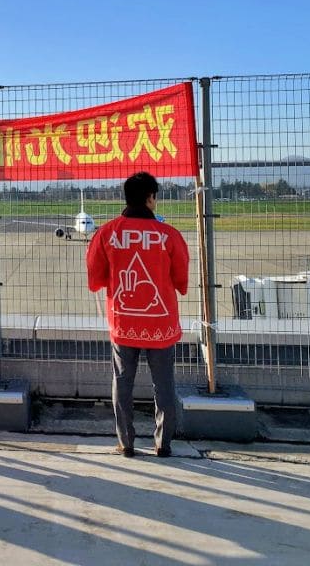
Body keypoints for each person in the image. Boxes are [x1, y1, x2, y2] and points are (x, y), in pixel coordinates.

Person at [86, 172, 189, 458]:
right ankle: (163, 443)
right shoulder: (169, 235)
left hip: (123, 321)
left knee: (122, 382)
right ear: (150, 198)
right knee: (164, 385)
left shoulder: (107, 233)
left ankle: (126, 442)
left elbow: (95, 278)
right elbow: (181, 279)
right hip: (161, 323)